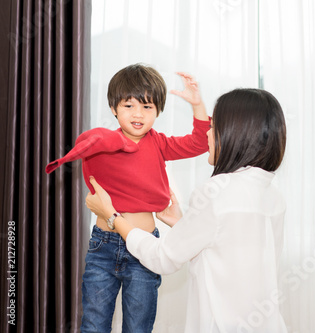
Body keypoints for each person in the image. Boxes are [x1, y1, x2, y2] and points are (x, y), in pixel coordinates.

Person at [85, 88, 289, 332]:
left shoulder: (217, 192)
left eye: (215, 126)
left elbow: (162, 258)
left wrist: (112, 216)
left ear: (236, 133)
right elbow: (223, 252)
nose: (208, 134)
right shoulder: (273, 196)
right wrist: (184, 224)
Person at [46, 64, 210, 332]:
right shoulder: (103, 142)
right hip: (103, 246)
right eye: (129, 105)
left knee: (139, 327)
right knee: (94, 325)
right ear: (114, 108)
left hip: (145, 248)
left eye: (147, 107)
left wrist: (197, 104)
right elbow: (86, 142)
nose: (138, 114)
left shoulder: (159, 143)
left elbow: (200, 143)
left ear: (158, 110)